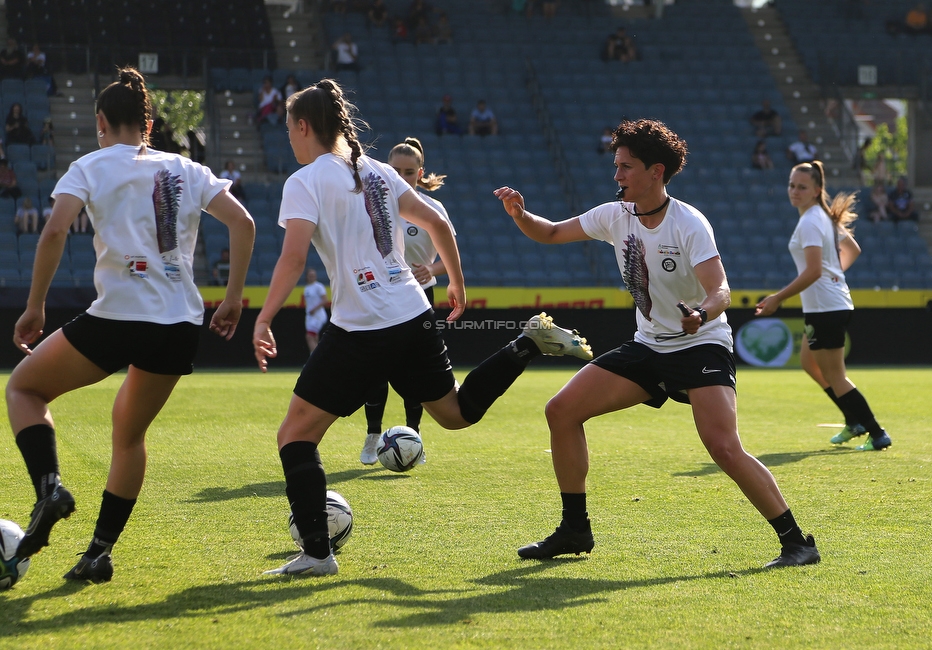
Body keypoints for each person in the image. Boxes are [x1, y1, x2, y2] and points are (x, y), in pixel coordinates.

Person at [251, 78, 592, 576]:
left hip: (362, 325)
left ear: (304, 127)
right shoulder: (380, 172)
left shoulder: (304, 182)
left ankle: (318, 555)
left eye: (288, 128)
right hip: (413, 312)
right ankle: (524, 343)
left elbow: (293, 256)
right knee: (454, 412)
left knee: (294, 436)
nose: (288, 137)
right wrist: (456, 283)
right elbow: (440, 223)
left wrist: (263, 316)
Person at [494, 118, 820, 568]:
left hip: (701, 344)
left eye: (626, 167)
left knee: (723, 446)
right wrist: (520, 215)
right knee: (561, 410)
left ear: (656, 172)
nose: (617, 175)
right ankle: (575, 530)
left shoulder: (689, 224)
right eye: (616, 166)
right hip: (649, 346)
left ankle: (797, 542)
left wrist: (701, 314)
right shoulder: (615, 215)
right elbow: (549, 232)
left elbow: (721, 290)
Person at [5, 67, 255, 583]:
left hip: (118, 317)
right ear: (148, 121)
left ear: (101, 122)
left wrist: (35, 306)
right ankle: (98, 552)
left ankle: (50, 487)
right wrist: (231, 299)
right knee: (129, 434)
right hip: (177, 324)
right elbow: (244, 223)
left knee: (25, 389)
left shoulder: (90, 166)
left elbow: (54, 232)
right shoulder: (187, 168)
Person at [755, 161, 890, 451]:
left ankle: (876, 432)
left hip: (826, 307)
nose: (794, 191)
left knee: (835, 376)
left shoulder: (811, 221)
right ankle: (853, 421)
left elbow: (814, 271)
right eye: (792, 185)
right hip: (827, 304)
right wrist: (834, 273)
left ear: (817, 190)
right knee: (808, 362)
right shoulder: (821, 217)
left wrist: (777, 298)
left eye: (802, 187)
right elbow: (852, 249)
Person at [360, 137, 455, 464]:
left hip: (418, 298)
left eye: (409, 172)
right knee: (374, 369)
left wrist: (431, 269)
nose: (402, 177)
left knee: (416, 371)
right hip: (378, 296)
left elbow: (450, 258)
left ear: (420, 173)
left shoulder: (433, 210)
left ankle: (412, 437)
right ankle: (373, 436)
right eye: (396, 170)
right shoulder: (369, 204)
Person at [303, 267, 329, 353]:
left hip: (318, 315)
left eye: (313, 275)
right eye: (310, 275)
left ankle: (313, 359)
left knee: (309, 336)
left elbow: (325, 300)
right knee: (314, 336)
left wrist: (314, 309)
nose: (312, 277)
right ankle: (318, 359)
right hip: (310, 316)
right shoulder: (306, 288)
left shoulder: (319, 286)